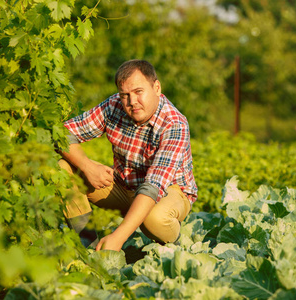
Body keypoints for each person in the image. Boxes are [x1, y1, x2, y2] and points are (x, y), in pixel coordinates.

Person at [59, 59, 198, 252]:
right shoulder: (114, 105)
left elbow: (153, 186)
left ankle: (175, 246)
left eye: (139, 92)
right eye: (125, 95)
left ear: (156, 88)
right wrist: (87, 166)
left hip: (168, 191)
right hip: (125, 186)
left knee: (154, 219)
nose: (132, 102)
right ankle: (87, 247)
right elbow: (62, 133)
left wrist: (119, 236)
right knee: (62, 168)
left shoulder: (174, 124)